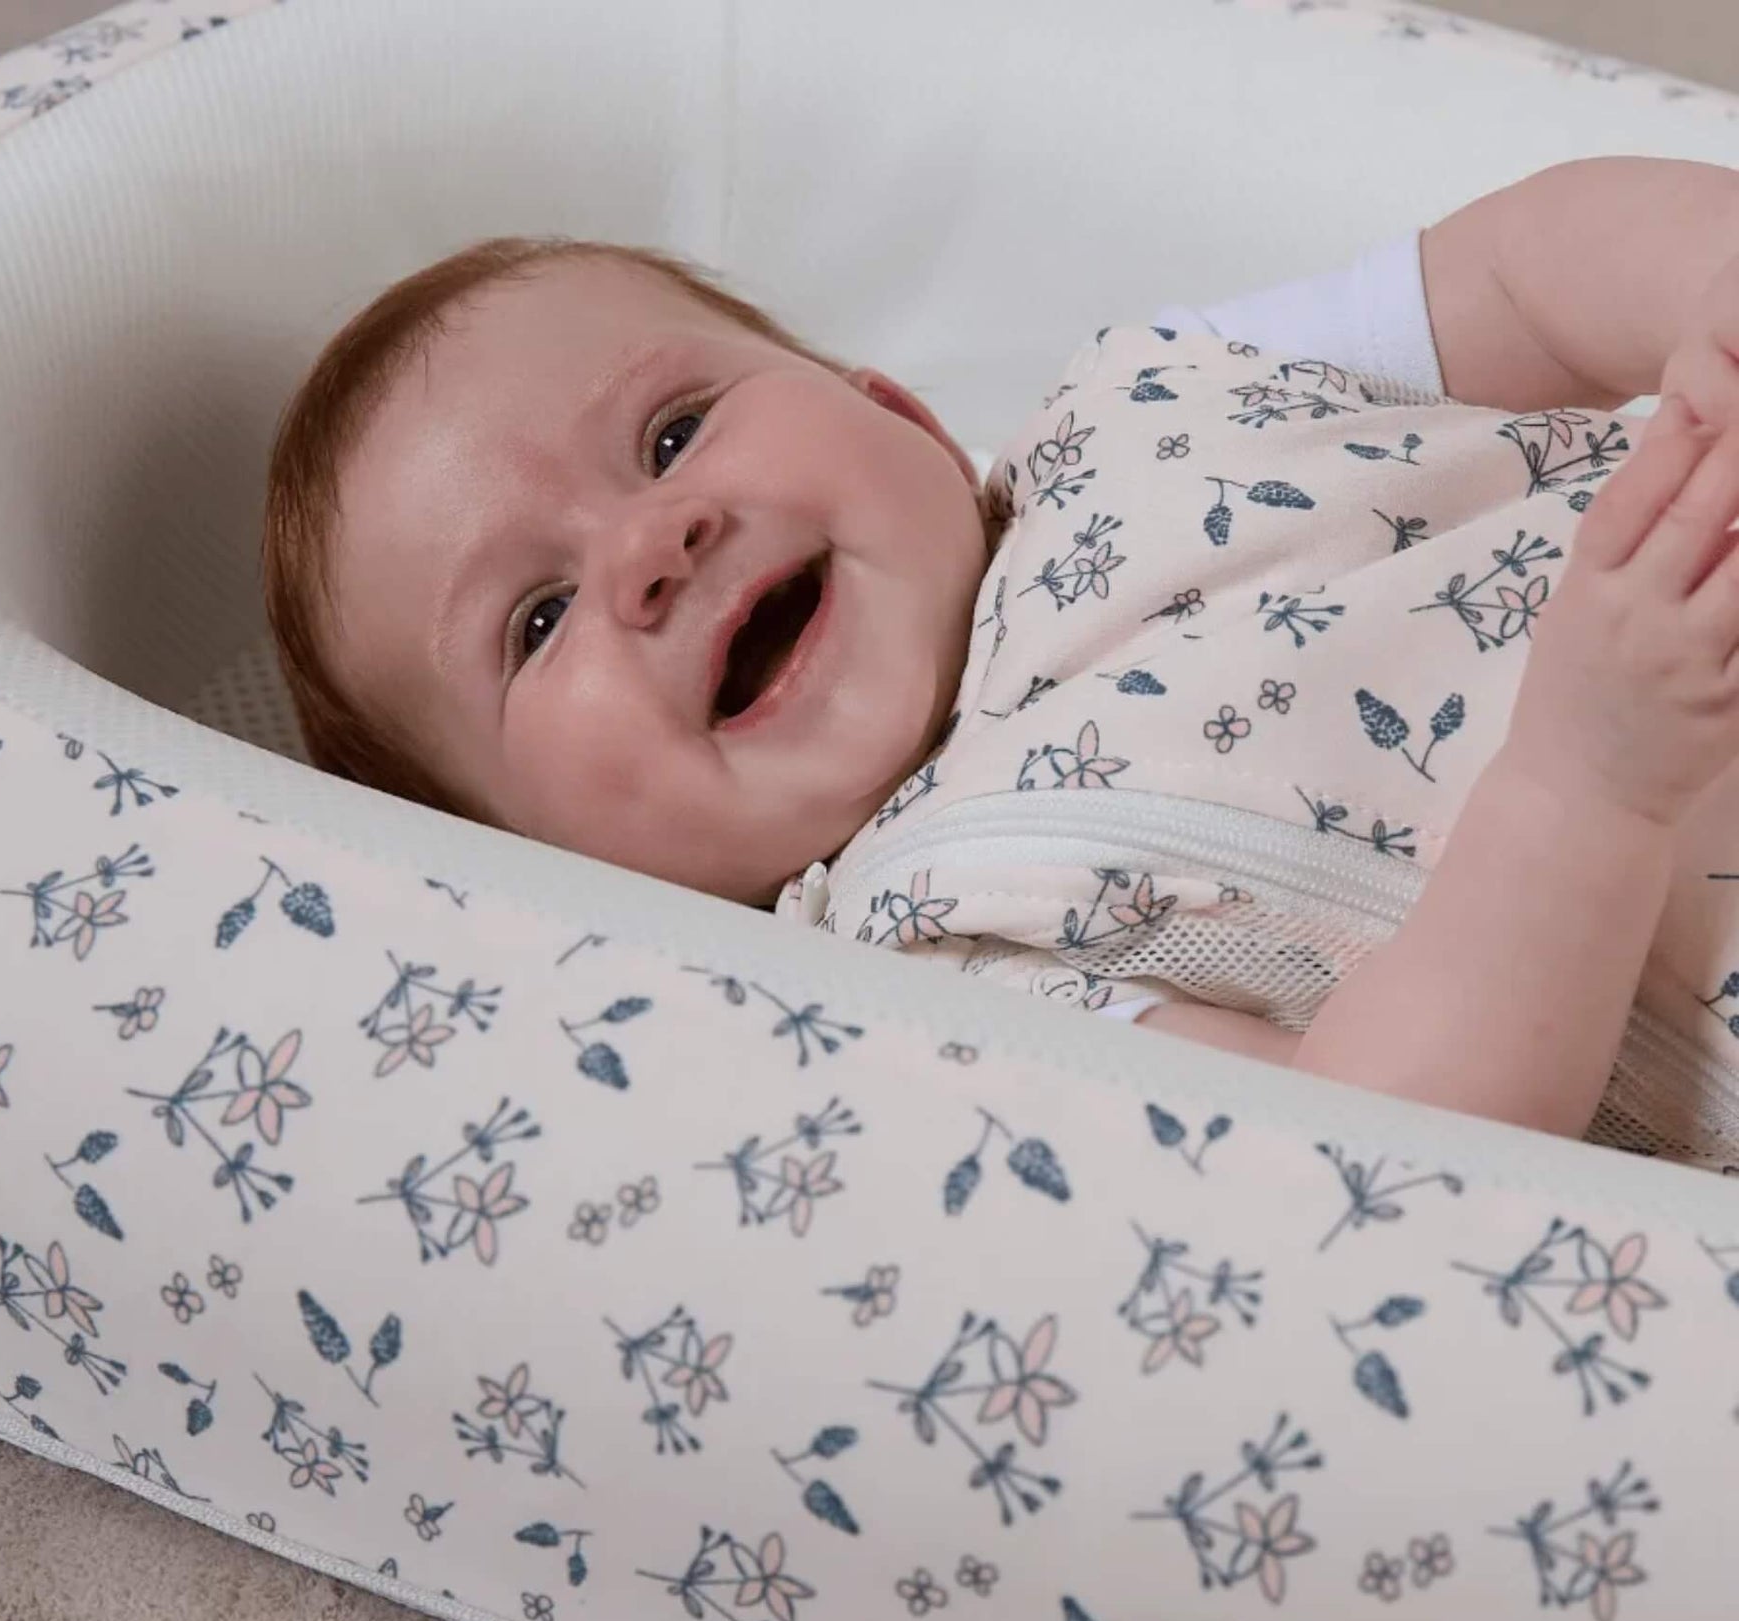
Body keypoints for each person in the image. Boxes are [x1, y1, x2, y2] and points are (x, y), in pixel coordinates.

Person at [262, 156, 1739, 1163]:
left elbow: (1513, 275)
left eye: (670, 433)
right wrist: (1581, 786)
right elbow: (1378, 1150)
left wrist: (1705, 283)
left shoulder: (1141, 398)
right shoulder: (946, 971)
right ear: (556, 866)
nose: (651, 543)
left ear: (894, 411)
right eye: (535, 622)